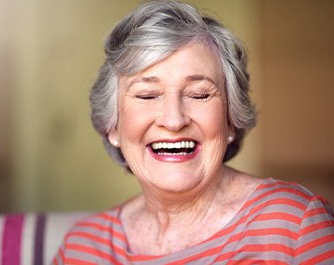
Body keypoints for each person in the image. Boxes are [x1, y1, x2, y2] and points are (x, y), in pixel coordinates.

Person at [53, 1, 334, 264]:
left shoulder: (294, 226)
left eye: (199, 95)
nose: (174, 120)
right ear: (113, 126)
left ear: (230, 120)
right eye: (148, 95)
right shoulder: (82, 248)